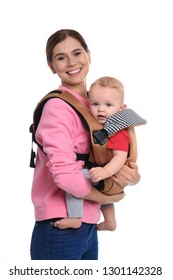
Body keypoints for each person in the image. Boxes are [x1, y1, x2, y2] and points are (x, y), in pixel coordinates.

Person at [30, 29, 140, 260]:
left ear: (89, 56)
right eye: (61, 57)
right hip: (59, 224)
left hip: (90, 223)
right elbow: (63, 175)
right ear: (51, 66)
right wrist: (106, 197)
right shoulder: (58, 108)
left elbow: (119, 155)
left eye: (77, 53)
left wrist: (130, 177)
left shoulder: (102, 104)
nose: (71, 62)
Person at [56, 76, 130, 231]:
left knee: (77, 178)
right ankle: (110, 222)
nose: (101, 109)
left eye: (108, 105)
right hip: (105, 174)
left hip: (109, 172)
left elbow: (120, 156)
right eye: (95, 104)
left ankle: (75, 217)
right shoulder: (100, 126)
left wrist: (104, 171)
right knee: (102, 192)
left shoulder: (116, 131)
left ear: (121, 109)